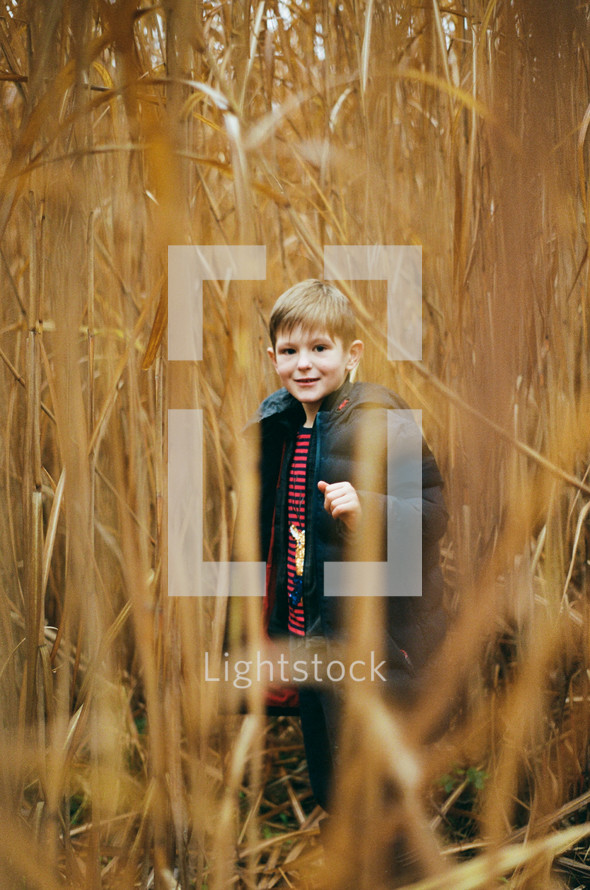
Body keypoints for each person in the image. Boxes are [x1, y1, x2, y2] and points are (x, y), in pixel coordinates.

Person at [250, 279, 448, 813]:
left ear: (351, 354)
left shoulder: (386, 418)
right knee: (333, 790)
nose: (304, 364)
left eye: (320, 349)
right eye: (290, 352)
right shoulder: (279, 428)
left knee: (380, 792)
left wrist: (369, 511)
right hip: (308, 645)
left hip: (370, 647)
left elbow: (434, 514)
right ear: (273, 358)